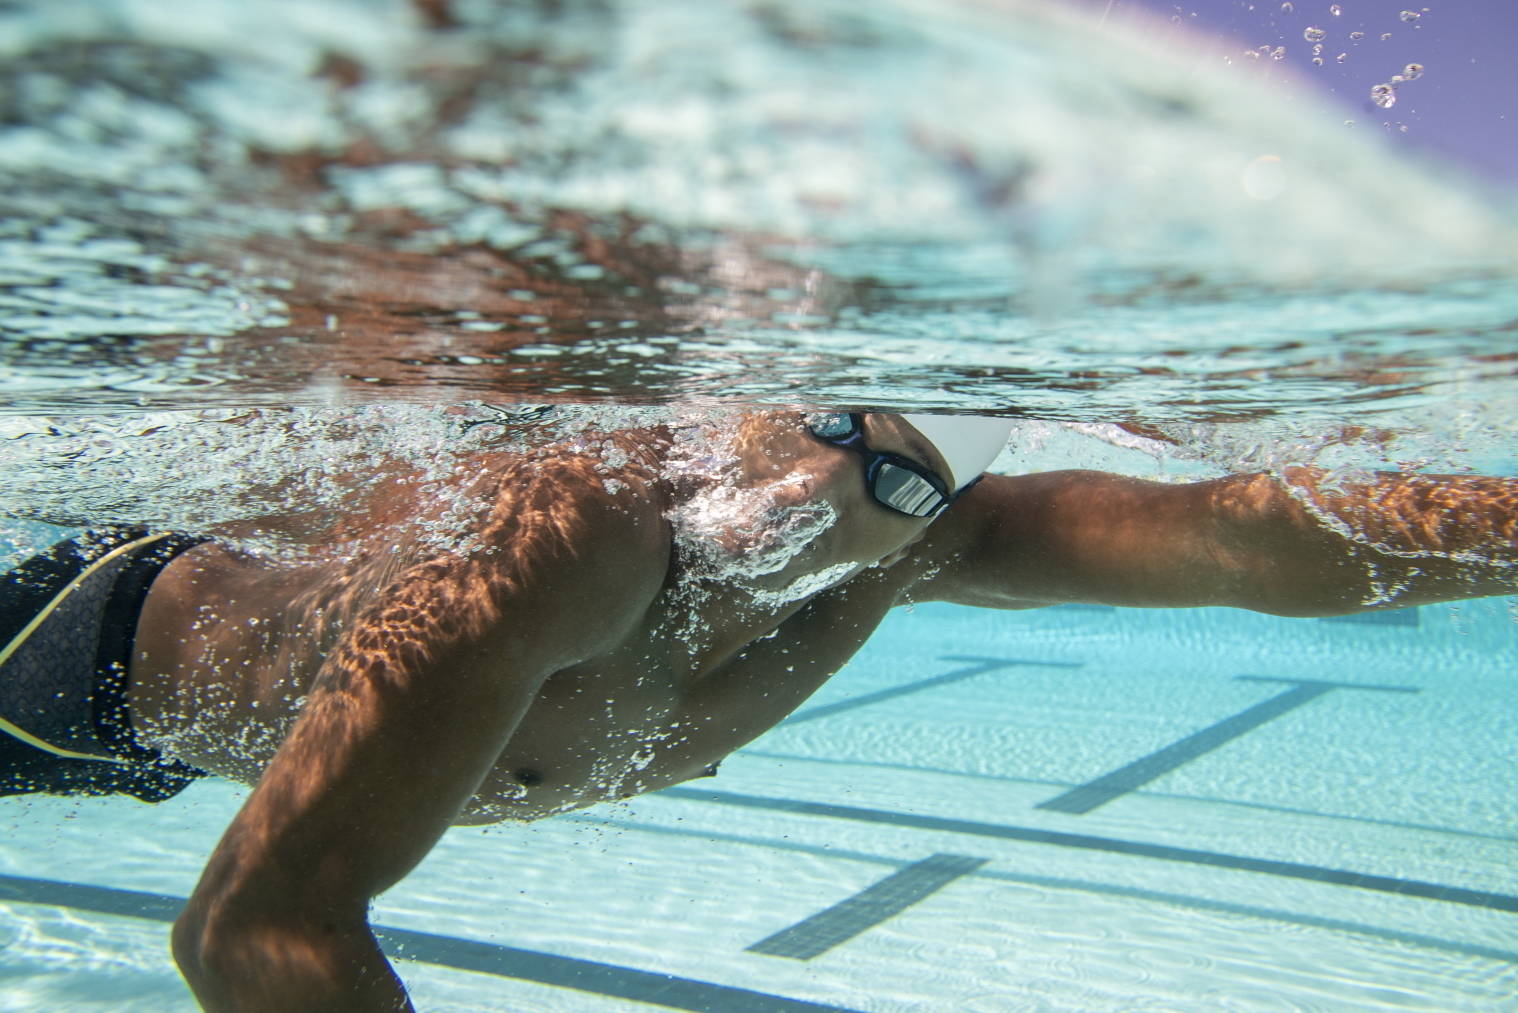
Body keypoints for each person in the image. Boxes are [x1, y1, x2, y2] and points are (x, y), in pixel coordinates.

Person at [3, 409, 1516, 1012]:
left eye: (897, 477)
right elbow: (257, 927)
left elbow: (1239, 534)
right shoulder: (567, 542)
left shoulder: (901, 552)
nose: (829, 496)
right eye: (821, 436)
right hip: (81, 643)